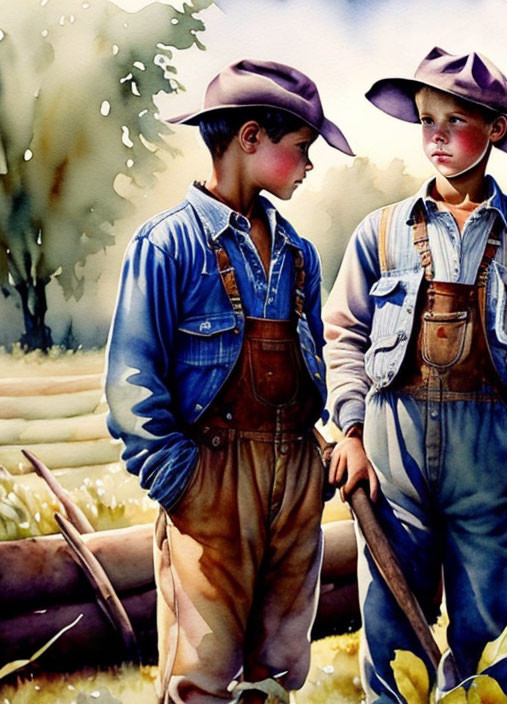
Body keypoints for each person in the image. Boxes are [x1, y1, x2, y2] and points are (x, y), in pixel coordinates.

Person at [322, 47, 507, 702]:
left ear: (497, 129)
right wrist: (353, 431)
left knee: (486, 627)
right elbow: (343, 334)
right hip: (394, 453)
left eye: (456, 120)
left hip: (488, 453)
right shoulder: (380, 232)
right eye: (425, 120)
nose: (437, 137)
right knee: (391, 633)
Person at [104, 59, 353, 703]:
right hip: (210, 476)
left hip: (294, 476)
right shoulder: (166, 246)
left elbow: (310, 365)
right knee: (204, 670)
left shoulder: (298, 253)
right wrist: (183, 482)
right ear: (249, 139)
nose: (309, 165)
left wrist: (310, 456)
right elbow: (132, 383)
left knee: (279, 665)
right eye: (301, 149)